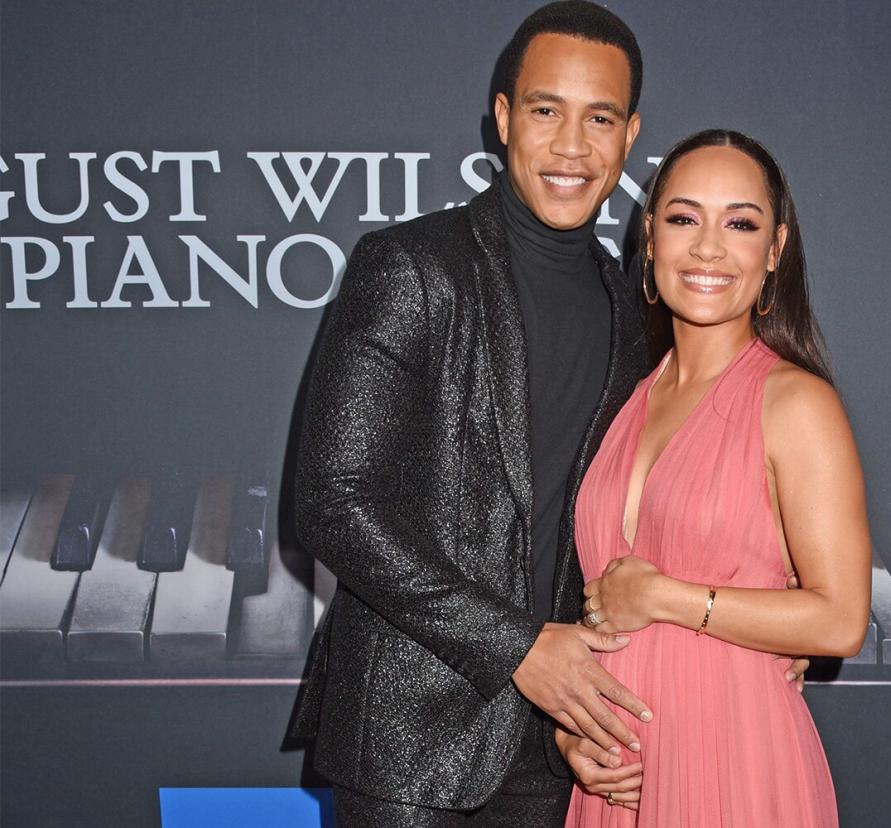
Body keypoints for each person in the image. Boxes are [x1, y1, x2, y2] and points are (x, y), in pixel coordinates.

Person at [286, 4, 810, 825]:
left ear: (630, 134)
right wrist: (519, 648)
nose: (572, 146)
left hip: (563, 745)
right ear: (502, 120)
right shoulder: (411, 268)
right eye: (545, 111)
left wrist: (770, 633)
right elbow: (335, 500)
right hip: (409, 746)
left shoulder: (637, 314)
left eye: (598, 118)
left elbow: (645, 524)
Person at [557, 129, 872, 826]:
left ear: (774, 251)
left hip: (735, 766)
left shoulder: (795, 403)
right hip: (618, 781)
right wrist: (574, 727)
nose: (707, 247)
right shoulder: (624, 396)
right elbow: (598, 601)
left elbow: (841, 619)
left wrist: (668, 598)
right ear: (651, 237)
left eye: (740, 223)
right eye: (683, 218)